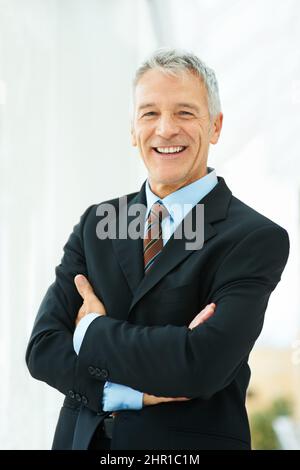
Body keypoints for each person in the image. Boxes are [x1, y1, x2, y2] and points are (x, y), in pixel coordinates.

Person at [26, 48, 290, 450]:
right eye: (149, 113)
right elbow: (43, 348)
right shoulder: (98, 223)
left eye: (185, 112)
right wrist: (125, 393)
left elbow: (201, 364)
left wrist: (90, 331)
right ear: (133, 130)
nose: (165, 129)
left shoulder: (253, 237)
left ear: (215, 126)